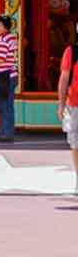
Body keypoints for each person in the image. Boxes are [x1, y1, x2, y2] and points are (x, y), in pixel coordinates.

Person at [0, 15, 19, 143]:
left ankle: (5, 134)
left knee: (4, 106)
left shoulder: (3, 41)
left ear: (2, 25)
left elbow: (0, 59)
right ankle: (6, 132)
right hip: (8, 75)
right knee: (7, 105)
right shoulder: (11, 38)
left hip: (3, 76)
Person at [57, 42, 78, 192]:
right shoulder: (71, 51)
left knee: (76, 143)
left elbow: (64, 79)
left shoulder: (71, 51)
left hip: (73, 104)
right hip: (74, 104)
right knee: (75, 143)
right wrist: (61, 104)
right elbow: (64, 79)